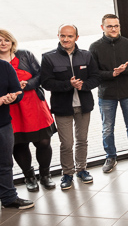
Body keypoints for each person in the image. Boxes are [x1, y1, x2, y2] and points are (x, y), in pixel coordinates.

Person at [40, 24, 100, 190]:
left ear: (77, 38)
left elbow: (96, 78)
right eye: (62, 36)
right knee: (66, 143)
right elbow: (46, 83)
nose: (66, 39)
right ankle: (67, 173)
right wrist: (69, 84)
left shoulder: (86, 56)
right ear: (58, 36)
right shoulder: (48, 57)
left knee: (82, 140)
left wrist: (84, 86)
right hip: (62, 107)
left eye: (70, 36)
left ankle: (81, 169)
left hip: (83, 105)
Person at [89, 14, 128, 173]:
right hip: (106, 95)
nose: (113, 29)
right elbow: (93, 73)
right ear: (103, 28)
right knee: (107, 128)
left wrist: (124, 70)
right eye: (109, 26)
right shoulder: (95, 47)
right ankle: (110, 157)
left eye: (116, 26)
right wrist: (112, 74)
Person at [1, 29, 55, 192]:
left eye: (6, 40)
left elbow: (40, 75)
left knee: (44, 141)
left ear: (12, 42)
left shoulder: (25, 55)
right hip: (11, 108)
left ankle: (45, 175)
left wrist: (27, 84)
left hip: (34, 105)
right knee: (19, 144)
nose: (3, 43)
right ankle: (29, 176)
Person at [0, 58, 32, 209]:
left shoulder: (4, 66)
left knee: (5, 163)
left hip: (3, 124)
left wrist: (13, 97)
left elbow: (17, 92)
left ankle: (9, 198)